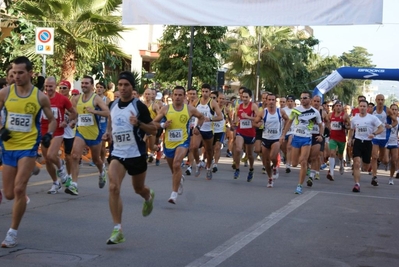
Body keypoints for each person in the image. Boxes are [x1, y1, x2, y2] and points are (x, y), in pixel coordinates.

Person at [0, 56, 57, 248]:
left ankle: (12, 233)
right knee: (8, 194)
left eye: (20, 73)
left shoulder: (39, 97)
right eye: (14, 72)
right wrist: (1, 130)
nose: (16, 76)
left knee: (18, 189)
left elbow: (52, 120)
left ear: (30, 73)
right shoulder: (5, 93)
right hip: (8, 148)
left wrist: (49, 133)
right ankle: (30, 172)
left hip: (28, 147)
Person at [102, 71, 157, 245]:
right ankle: (118, 229)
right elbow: (111, 123)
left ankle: (148, 196)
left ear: (132, 87)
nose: (123, 88)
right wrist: (108, 133)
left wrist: (139, 124)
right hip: (117, 153)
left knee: (138, 188)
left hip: (136, 154)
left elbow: (153, 129)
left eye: (126, 85)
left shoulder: (139, 106)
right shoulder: (112, 105)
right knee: (113, 187)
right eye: (120, 85)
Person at [153, 86, 204, 204]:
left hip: (183, 141)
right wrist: (162, 125)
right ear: (172, 96)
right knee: (174, 169)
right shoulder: (166, 109)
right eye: (175, 94)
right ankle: (179, 178)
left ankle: (173, 194)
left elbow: (201, 117)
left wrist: (198, 127)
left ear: (184, 96)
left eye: (180, 95)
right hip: (169, 143)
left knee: (177, 164)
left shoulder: (189, 109)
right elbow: (154, 122)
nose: (177, 97)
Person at [66, 75, 110, 195]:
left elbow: (107, 113)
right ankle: (74, 185)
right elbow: (76, 114)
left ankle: (102, 172)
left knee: (96, 159)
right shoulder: (76, 99)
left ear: (91, 85)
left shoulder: (96, 99)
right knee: (75, 155)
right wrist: (72, 121)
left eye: (86, 83)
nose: (84, 85)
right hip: (81, 132)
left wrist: (95, 111)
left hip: (95, 133)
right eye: (82, 83)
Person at [280, 91, 323, 194]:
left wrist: (320, 135)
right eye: (301, 98)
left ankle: (299, 186)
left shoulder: (315, 112)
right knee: (295, 163)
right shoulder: (296, 110)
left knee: (303, 161)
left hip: (307, 139)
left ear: (310, 99)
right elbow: (289, 122)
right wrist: (283, 135)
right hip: (296, 138)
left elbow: (321, 125)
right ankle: (300, 163)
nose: (303, 100)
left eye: (305, 98)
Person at [41, 77, 77, 194]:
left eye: (50, 86)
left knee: (52, 155)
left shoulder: (62, 99)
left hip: (57, 132)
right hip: (44, 132)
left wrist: (66, 122)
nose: (48, 88)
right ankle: (56, 183)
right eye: (46, 86)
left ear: (55, 86)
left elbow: (74, 113)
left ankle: (61, 167)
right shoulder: (41, 97)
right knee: (47, 160)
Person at [348, 100, 383, 192]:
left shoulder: (372, 118)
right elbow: (351, 130)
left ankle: (370, 166)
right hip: (358, 141)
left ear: (367, 108)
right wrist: (350, 139)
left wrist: (374, 134)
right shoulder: (354, 119)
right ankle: (357, 184)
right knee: (356, 162)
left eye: (364, 106)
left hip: (368, 143)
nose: (362, 108)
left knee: (366, 167)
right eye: (361, 106)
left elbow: (381, 128)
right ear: (358, 107)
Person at [254, 93, 289, 187]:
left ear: (275, 101)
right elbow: (255, 122)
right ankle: (270, 178)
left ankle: (275, 167)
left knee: (273, 156)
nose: (271, 102)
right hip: (265, 138)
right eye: (269, 100)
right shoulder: (263, 112)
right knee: (265, 162)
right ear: (266, 101)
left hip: (276, 138)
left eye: (273, 100)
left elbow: (288, 120)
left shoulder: (280, 111)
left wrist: (283, 133)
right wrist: (258, 124)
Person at [191, 84, 222, 180]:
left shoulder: (212, 103)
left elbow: (220, 116)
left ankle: (208, 168)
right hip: (198, 128)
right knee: (194, 147)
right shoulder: (196, 102)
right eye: (203, 91)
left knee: (209, 151)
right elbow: (189, 112)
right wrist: (192, 123)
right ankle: (198, 163)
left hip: (208, 129)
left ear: (209, 92)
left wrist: (211, 118)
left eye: (206, 91)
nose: (204, 93)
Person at [370, 94, 397, 186]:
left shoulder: (387, 110)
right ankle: (374, 176)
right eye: (379, 99)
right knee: (374, 156)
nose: (380, 101)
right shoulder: (372, 110)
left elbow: (395, 121)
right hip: (375, 136)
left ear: (384, 100)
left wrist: (390, 125)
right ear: (376, 100)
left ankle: (383, 161)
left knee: (384, 160)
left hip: (384, 136)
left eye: (382, 100)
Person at [233, 88, 258, 180]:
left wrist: (247, 117)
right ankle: (237, 169)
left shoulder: (253, 106)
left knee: (250, 154)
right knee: (238, 149)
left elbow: (258, 118)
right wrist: (234, 123)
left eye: (246, 97)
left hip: (250, 133)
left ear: (250, 97)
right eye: (243, 97)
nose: (244, 99)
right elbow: (236, 118)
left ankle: (251, 169)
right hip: (241, 131)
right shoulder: (238, 106)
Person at [326, 101, 350, 181]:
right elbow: (327, 122)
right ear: (334, 107)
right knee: (332, 153)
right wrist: (329, 128)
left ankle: (341, 164)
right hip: (333, 138)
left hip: (341, 138)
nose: (338, 107)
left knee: (340, 155)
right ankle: (331, 173)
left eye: (340, 106)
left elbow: (349, 126)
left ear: (342, 107)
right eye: (337, 105)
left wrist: (345, 126)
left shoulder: (345, 115)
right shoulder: (330, 115)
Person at [95, 82, 111, 169]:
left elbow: (109, 113)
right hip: (94, 123)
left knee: (102, 145)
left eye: (101, 87)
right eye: (97, 87)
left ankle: (102, 161)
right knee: (95, 144)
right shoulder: (92, 98)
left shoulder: (107, 100)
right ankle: (96, 159)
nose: (99, 89)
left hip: (103, 123)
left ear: (104, 89)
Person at [386, 104, 398, 185]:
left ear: (397, 111)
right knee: (386, 160)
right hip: (386, 142)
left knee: (393, 161)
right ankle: (386, 163)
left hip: (394, 143)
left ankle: (391, 178)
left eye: (395, 109)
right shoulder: (386, 119)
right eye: (392, 109)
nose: (393, 111)